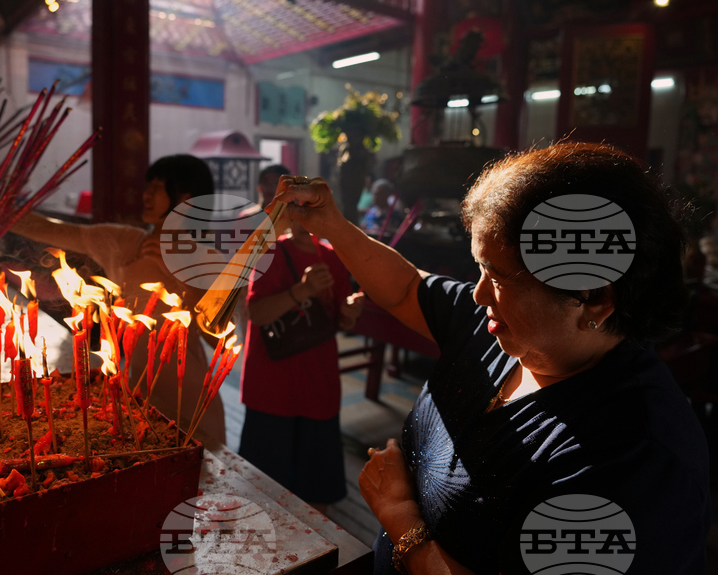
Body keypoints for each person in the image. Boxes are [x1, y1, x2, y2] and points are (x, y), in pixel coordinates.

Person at [271, 143, 709, 574]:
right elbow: (408, 289)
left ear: (593, 298)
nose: (478, 295)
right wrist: (332, 225)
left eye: (497, 276)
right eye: (479, 269)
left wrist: (400, 515)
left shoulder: (634, 461)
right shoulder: (504, 328)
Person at [12, 154, 226, 444]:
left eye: (158, 186)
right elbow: (49, 230)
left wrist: (175, 275)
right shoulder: (127, 242)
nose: (146, 194)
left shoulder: (207, 259)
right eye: (147, 185)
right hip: (140, 399)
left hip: (191, 406)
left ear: (185, 197)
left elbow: (222, 339)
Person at [238, 215, 364, 511]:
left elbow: (339, 321)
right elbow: (257, 313)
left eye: (314, 211)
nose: (307, 221)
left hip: (317, 384)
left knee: (315, 495)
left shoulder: (333, 257)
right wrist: (302, 290)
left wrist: (350, 313)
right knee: (262, 491)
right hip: (272, 385)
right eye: (299, 211)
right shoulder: (269, 252)